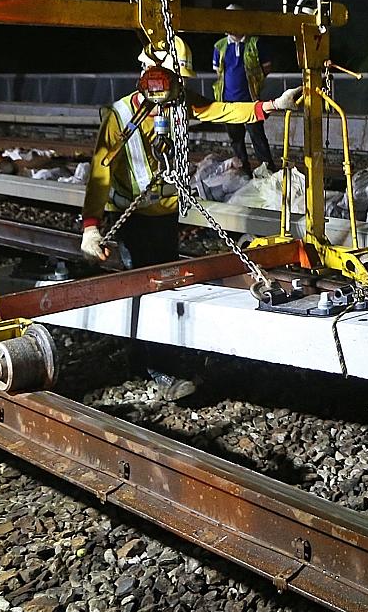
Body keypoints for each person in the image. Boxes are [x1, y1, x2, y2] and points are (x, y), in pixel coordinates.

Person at [78, 36, 301, 400]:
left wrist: (272, 105)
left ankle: (148, 359)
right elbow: (100, 175)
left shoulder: (178, 104)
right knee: (147, 291)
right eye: (173, 79)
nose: (179, 87)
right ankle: (158, 369)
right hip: (132, 219)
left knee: (165, 287)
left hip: (164, 216)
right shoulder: (120, 117)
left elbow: (222, 110)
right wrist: (91, 228)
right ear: (151, 76)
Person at [211, 5, 276, 176]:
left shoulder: (255, 43)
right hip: (229, 102)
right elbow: (218, 71)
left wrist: (255, 82)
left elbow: (266, 68)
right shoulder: (220, 46)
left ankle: (267, 170)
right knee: (236, 139)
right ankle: (243, 171)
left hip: (250, 100)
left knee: (257, 136)